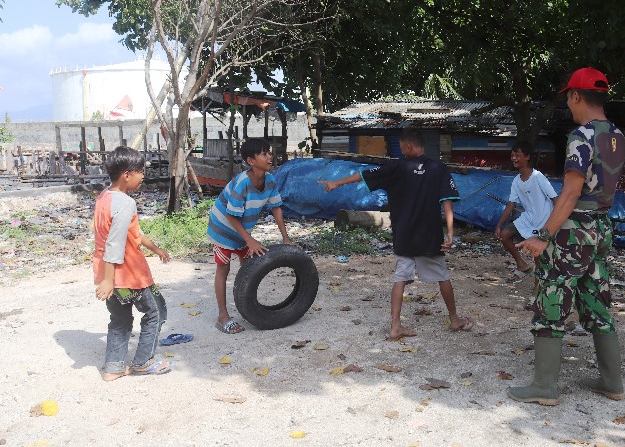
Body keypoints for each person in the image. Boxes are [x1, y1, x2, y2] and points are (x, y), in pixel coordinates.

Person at [509, 67, 625, 405]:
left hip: (574, 232)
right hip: (602, 228)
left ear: (576, 96)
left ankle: (545, 388)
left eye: (568, 98)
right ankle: (612, 383)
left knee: (551, 301)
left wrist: (544, 235)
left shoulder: (582, 135)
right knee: (596, 299)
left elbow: (571, 192)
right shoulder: (617, 136)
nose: (569, 105)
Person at [320, 128, 472, 339]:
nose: (401, 151)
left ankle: (395, 326)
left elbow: (364, 175)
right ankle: (455, 320)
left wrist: (336, 182)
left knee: (400, 278)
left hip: (404, 233)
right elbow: (447, 203)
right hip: (429, 235)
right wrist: (450, 232)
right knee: (442, 276)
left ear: (408, 147)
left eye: (401, 147)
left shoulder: (396, 167)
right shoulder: (439, 168)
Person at [93, 146, 172, 380]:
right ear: (127, 174)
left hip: (107, 272)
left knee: (120, 318)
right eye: (140, 171)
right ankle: (143, 362)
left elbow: (132, 234)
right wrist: (109, 280)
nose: (143, 176)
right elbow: (114, 245)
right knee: (156, 311)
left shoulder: (103, 197)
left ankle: (114, 367)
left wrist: (155, 248)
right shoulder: (125, 203)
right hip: (128, 274)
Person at [207, 138, 293, 334]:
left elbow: (276, 208)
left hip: (242, 230)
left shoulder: (270, 180)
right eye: (264, 153)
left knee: (248, 268)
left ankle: (247, 309)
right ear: (251, 160)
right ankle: (222, 316)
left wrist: (285, 238)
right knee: (223, 269)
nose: (270, 156)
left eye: (269, 152)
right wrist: (249, 240)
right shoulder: (243, 183)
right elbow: (230, 214)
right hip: (222, 229)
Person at [494, 140, 557, 274]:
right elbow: (511, 204)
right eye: (512, 155)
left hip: (543, 220)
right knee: (504, 235)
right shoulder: (516, 180)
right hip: (528, 218)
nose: (514, 158)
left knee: (538, 255)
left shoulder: (538, 177)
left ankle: (537, 286)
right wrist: (499, 225)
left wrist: (556, 223)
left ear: (527, 157)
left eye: (517, 155)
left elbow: (555, 199)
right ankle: (521, 263)